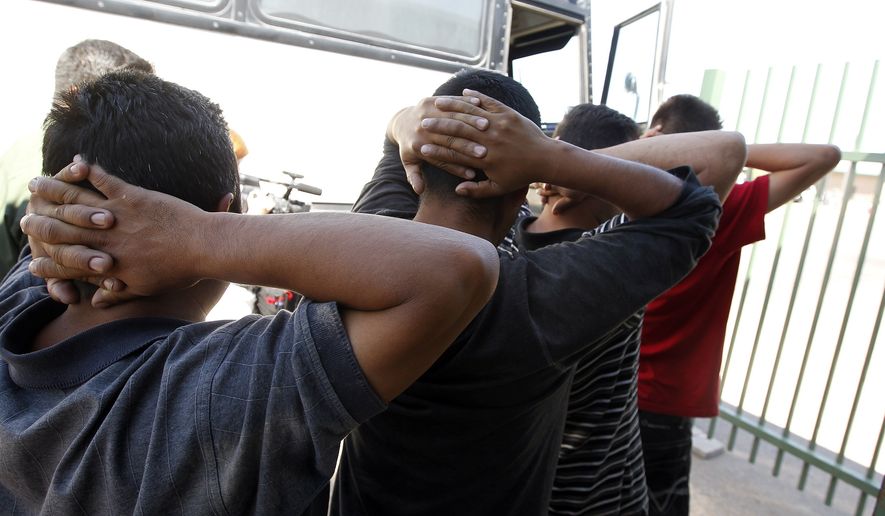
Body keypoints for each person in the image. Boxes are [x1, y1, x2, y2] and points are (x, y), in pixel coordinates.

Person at [4, 70, 500, 514]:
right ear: (226, 209)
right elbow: (459, 264)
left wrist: (400, 124)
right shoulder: (217, 389)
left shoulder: (16, 301)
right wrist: (200, 236)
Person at [329, 70, 725, 515]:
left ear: (414, 164)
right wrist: (549, 158)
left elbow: (395, 143)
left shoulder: (372, 239)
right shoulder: (535, 304)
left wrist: (405, 121)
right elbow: (693, 209)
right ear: (521, 189)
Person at [520, 104, 745, 515]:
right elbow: (726, 152)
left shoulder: (500, 244)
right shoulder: (613, 257)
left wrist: (548, 158)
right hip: (598, 500)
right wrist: (561, 162)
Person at [637, 94, 842, 516]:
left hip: (602, 389)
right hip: (665, 400)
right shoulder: (720, 210)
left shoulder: (613, 199)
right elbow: (823, 156)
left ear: (655, 134)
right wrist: (728, 150)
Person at [0, 39, 153, 277]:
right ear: (78, 99)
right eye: (131, 102)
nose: (146, 114)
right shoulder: (82, 165)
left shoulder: (24, 145)